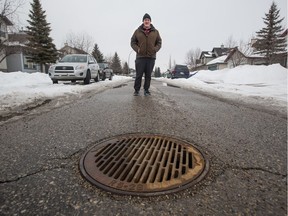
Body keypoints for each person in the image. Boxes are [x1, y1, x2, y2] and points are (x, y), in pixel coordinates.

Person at [130, 13, 162, 96]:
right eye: (145, 20)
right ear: (143, 21)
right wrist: (137, 49)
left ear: (150, 21)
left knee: (148, 75)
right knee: (139, 75)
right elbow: (132, 42)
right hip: (140, 57)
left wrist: (155, 49)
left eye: (148, 20)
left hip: (151, 57)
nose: (146, 21)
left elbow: (159, 42)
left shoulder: (155, 32)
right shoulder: (137, 31)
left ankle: (146, 90)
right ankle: (136, 90)